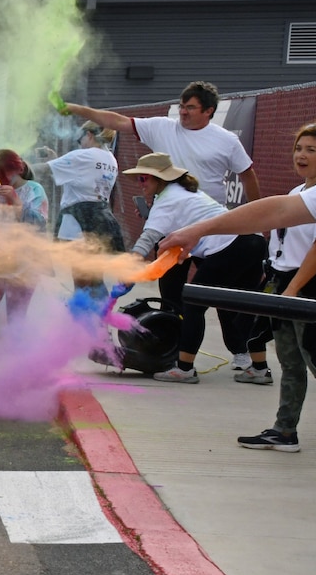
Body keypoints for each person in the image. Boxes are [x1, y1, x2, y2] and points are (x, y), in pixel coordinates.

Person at [122, 152, 269, 383]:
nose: (140, 185)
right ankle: (258, 368)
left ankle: (185, 368)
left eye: (144, 179)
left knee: (193, 304)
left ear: (160, 179)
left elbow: (148, 238)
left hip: (230, 246)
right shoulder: (188, 192)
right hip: (254, 241)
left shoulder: (167, 199)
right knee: (239, 305)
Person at [228, 123, 316, 451]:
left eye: (311, 149)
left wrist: (293, 290)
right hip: (283, 281)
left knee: (315, 359)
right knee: (290, 362)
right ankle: (284, 431)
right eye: (299, 148)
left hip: (307, 285)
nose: (302, 155)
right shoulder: (297, 194)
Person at [65, 82, 260, 208]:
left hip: (209, 216)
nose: (183, 112)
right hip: (169, 215)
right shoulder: (161, 127)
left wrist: (256, 215)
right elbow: (117, 121)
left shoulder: (227, 140)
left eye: (190, 108)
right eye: (181, 106)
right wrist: (75, 108)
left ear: (209, 111)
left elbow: (247, 175)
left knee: (213, 272)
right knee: (170, 273)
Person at [0, 149, 48, 354]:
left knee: (15, 324)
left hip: (23, 267)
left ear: (18, 170)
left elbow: (39, 224)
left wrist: (16, 202)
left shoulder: (34, 189)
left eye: (2, 175)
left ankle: (13, 371)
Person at [45, 124, 125, 289]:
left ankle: (82, 313)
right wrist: (56, 158)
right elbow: (82, 173)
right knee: (96, 278)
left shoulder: (82, 156)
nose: (79, 144)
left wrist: (17, 168)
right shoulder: (110, 159)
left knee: (81, 280)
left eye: (79, 139)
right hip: (101, 221)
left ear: (89, 135)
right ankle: (99, 313)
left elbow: (44, 170)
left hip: (77, 223)